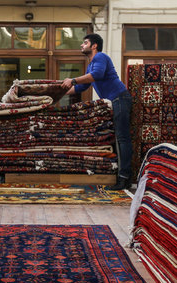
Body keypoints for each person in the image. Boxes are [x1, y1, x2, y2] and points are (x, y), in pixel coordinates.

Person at [61, 33, 133, 190]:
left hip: (119, 99)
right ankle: (123, 177)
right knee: (118, 138)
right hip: (114, 102)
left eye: (85, 43)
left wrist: (72, 79)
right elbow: (81, 87)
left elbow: (96, 76)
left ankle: (124, 178)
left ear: (94, 46)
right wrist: (57, 92)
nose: (82, 45)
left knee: (122, 138)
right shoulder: (91, 65)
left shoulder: (100, 57)